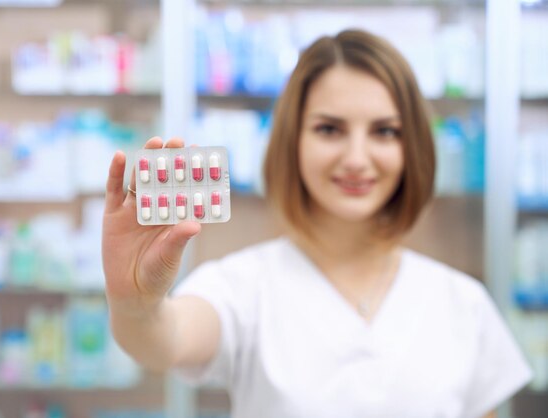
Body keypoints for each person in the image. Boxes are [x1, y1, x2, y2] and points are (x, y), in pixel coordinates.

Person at [102, 29, 531, 418]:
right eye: (329, 129)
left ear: (411, 147)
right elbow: (165, 340)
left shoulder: (463, 304)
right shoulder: (242, 288)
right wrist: (133, 303)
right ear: (293, 141)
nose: (357, 158)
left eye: (384, 132)